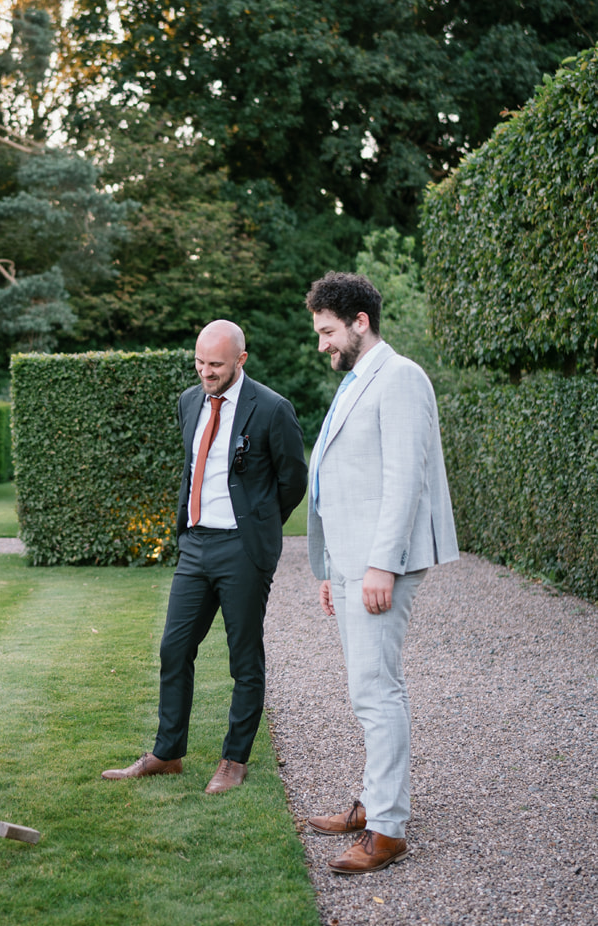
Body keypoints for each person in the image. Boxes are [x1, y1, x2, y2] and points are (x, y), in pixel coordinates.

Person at [102, 320, 308, 792]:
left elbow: (293, 479)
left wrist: (258, 521)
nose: (205, 372)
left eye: (215, 364)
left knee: (244, 659)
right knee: (174, 649)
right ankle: (167, 753)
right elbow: (194, 464)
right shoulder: (188, 401)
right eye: (199, 362)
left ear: (241, 359)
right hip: (195, 545)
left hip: (243, 549)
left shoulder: (273, 409)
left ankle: (235, 760)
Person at [305, 272, 458, 874]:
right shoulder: (355, 381)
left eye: (327, 331)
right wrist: (331, 569)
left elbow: (405, 481)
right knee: (364, 690)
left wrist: (378, 566)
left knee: (377, 691)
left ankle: (389, 829)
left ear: (359, 322)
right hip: (350, 563)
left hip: (378, 564)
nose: (322, 344)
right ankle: (370, 804)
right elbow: (340, 480)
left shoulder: (400, 378)